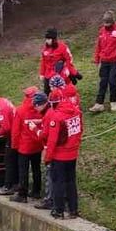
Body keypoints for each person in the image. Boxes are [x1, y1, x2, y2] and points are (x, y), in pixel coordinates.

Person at [42, 78, 83, 219]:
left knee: (58, 182)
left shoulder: (56, 117)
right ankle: (73, 210)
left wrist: (48, 157)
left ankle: (58, 210)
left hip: (60, 155)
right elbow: (80, 130)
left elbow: (52, 140)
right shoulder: (76, 111)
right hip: (73, 153)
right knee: (71, 181)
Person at [14, 88, 45, 204]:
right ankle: (36, 191)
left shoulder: (20, 110)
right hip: (37, 144)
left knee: (23, 170)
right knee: (36, 168)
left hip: (24, 146)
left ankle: (23, 194)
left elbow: (16, 131)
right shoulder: (41, 110)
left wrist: (14, 145)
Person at [39, 28, 77, 93]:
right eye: (46, 39)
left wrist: (68, 70)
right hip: (48, 74)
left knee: (61, 92)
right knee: (47, 92)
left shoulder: (63, 47)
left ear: (53, 39)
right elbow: (43, 61)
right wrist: (42, 73)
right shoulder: (45, 49)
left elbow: (69, 59)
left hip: (60, 74)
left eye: (48, 39)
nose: (46, 41)